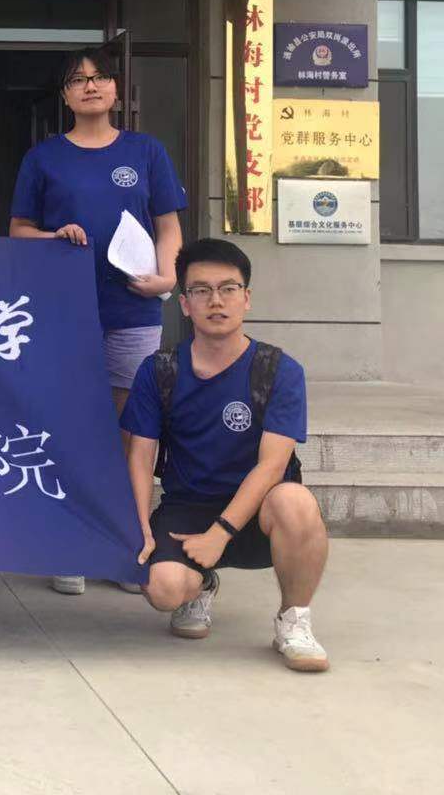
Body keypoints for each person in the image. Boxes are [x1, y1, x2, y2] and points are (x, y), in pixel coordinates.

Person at [8, 48, 185, 596]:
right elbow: (18, 231)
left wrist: (168, 278)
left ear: (116, 88)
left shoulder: (146, 151)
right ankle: (72, 544)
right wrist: (53, 237)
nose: (90, 86)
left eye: (100, 77)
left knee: (133, 429)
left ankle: (126, 542)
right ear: (64, 95)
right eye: (78, 80)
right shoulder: (44, 158)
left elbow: (168, 227)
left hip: (132, 310)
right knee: (76, 424)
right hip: (63, 313)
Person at [122, 239, 330, 673]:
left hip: (258, 513)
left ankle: (293, 620)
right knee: (162, 589)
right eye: (201, 290)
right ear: (184, 304)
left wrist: (220, 533)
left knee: (295, 501)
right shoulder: (159, 370)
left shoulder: (278, 370)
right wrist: (139, 525)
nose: (215, 301)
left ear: (246, 298)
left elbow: (272, 466)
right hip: (187, 509)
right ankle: (200, 586)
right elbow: (140, 456)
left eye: (228, 289)